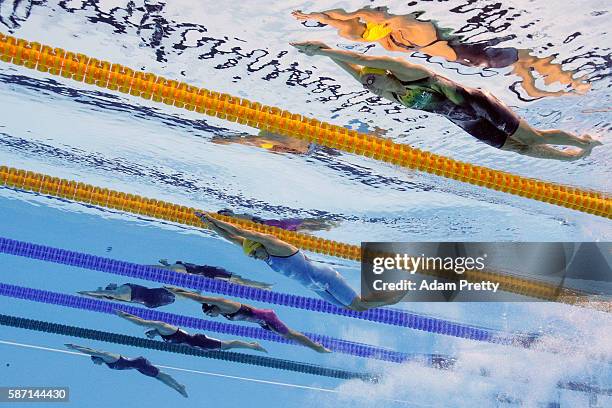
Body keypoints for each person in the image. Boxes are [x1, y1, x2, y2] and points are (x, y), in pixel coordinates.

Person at [290, 41, 601, 161]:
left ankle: (583, 143)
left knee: (532, 138)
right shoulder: (384, 88)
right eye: (365, 82)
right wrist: (328, 54)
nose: (367, 85)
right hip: (465, 120)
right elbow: (355, 68)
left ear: (383, 72)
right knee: (518, 149)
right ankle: (572, 157)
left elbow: (359, 58)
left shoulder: (410, 73)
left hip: (478, 104)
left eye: (369, 78)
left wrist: (323, 51)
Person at [292, 6, 591, 97]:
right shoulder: (379, 29)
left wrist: (314, 18)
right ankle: (561, 81)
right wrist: (312, 18)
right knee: (516, 62)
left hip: (456, 51)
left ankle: (565, 81)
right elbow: (342, 16)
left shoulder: (390, 28)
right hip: (453, 51)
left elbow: (344, 16)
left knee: (516, 60)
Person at [196, 212, 403, 311]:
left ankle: (392, 298)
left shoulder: (276, 246)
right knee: (351, 308)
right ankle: (385, 294)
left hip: (324, 277)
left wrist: (213, 219)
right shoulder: (265, 256)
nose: (255, 259)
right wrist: (209, 225)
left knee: (358, 306)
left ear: (259, 247)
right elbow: (231, 238)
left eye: (254, 255)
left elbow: (239, 231)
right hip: (316, 287)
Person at [165, 286, 331, 353]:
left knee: (289, 335)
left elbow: (199, 298)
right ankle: (316, 346)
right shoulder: (222, 312)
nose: (210, 316)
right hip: (262, 323)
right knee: (287, 336)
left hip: (266, 317)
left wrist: (175, 291)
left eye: (209, 314)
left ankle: (317, 347)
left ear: (211, 307)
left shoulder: (225, 305)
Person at [65, 343, 188, 397]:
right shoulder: (107, 362)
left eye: (94, 361)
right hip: (138, 367)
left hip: (139, 363)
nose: (95, 364)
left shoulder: (108, 357)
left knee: (159, 376)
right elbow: (91, 351)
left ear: (98, 358)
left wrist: (75, 347)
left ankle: (179, 386)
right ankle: (178, 387)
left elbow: (91, 351)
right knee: (159, 378)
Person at [116, 310, 267, 353]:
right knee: (226, 347)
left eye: (151, 330)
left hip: (198, 341)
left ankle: (252, 346)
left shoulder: (163, 326)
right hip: (196, 345)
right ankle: (251, 345)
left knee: (228, 345)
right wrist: (155, 333)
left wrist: (122, 315)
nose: (149, 331)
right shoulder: (162, 332)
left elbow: (140, 322)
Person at [151, 259, 273, 290]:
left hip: (205, 272)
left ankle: (264, 285)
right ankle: (264, 285)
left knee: (239, 281)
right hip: (200, 272)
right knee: (239, 281)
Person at [217, 209, 336, 233]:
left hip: (274, 228)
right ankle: (326, 224)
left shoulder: (238, 219)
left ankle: (326, 225)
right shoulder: (237, 219)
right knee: (303, 224)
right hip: (274, 226)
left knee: (302, 226)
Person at [78, 283, 175, 308]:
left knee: (109, 296)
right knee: (109, 296)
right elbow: (104, 293)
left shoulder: (161, 290)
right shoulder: (118, 293)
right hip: (133, 296)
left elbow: (103, 294)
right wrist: (86, 293)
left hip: (133, 289)